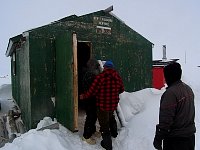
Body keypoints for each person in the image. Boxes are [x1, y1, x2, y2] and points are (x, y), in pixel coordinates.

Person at [80, 60, 124, 150]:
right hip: (112, 105)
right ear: (112, 67)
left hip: (102, 105)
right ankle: (114, 133)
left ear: (105, 67)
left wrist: (84, 96)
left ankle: (108, 145)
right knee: (110, 118)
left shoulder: (100, 77)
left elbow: (92, 91)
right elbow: (122, 89)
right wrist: (114, 93)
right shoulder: (117, 77)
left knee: (104, 125)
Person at [153, 62, 196, 150]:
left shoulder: (170, 94)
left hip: (176, 141)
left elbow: (166, 120)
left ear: (169, 77)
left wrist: (158, 138)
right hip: (190, 137)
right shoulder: (188, 89)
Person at [81, 59, 102, 145]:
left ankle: (92, 131)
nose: (98, 69)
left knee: (94, 116)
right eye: (96, 67)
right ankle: (86, 136)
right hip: (89, 99)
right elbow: (92, 89)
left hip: (91, 98)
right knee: (90, 117)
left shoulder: (90, 74)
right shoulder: (90, 75)